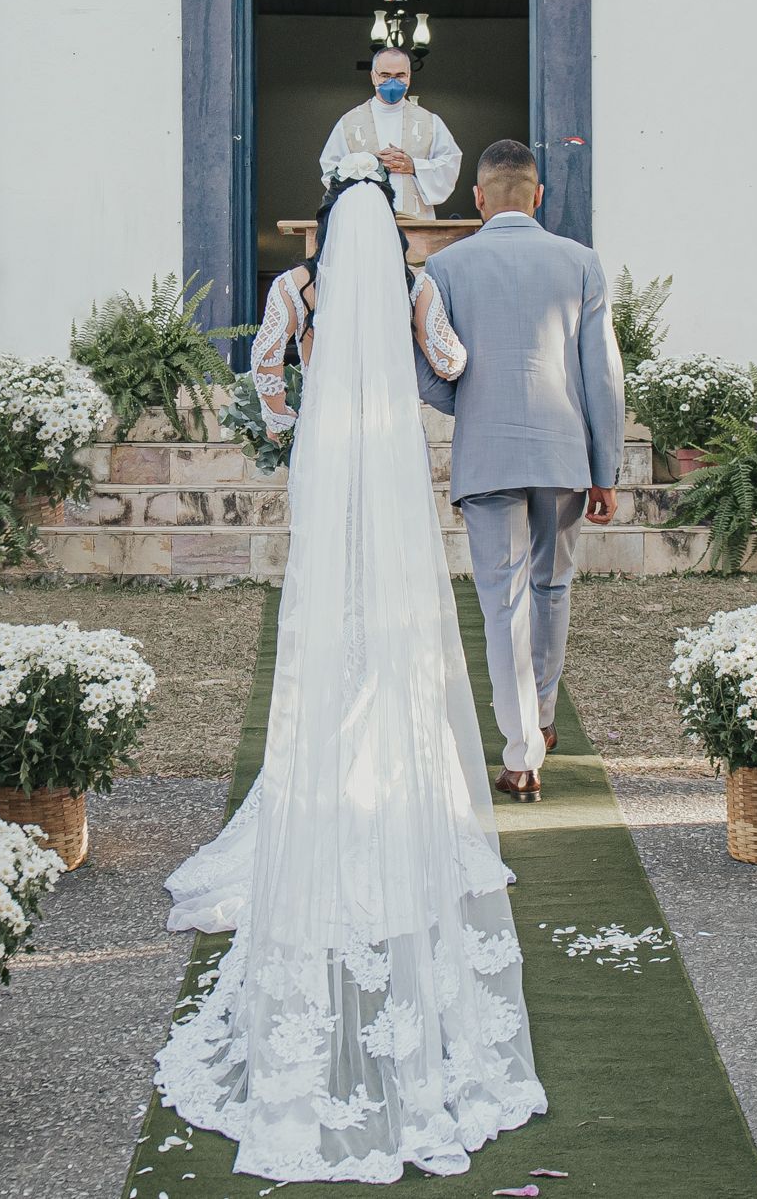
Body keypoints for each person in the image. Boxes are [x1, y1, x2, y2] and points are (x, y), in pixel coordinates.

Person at [151, 152, 547, 1185]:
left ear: (327, 222)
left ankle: (332, 757)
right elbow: (453, 362)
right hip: (390, 457)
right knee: (397, 619)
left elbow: (266, 368)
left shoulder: (295, 285)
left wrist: (286, 430)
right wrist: (421, 353)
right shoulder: (420, 284)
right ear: (397, 234)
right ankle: (390, 755)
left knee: (332, 618)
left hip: (329, 461)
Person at [415, 140, 625, 803]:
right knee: (551, 588)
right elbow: (603, 376)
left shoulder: (443, 268)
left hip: (487, 455)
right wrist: (606, 469)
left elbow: (429, 369)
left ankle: (520, 754)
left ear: (477, 198)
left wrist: (472, 404)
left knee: (502, 602)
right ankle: (541, 717)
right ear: (538, 196)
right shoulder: (580, 262)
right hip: (564, 453)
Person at [319, 47, 461, 219]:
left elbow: (449, 165)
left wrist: (414, 166)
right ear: (373, 76)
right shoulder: (349, 122)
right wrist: (370, 164)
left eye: (400, 75)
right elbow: (330, 172)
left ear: (409, 76)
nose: (392, 82)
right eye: (385, 75)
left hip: (416, 221)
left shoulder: (430, 122)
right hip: (366, 220)